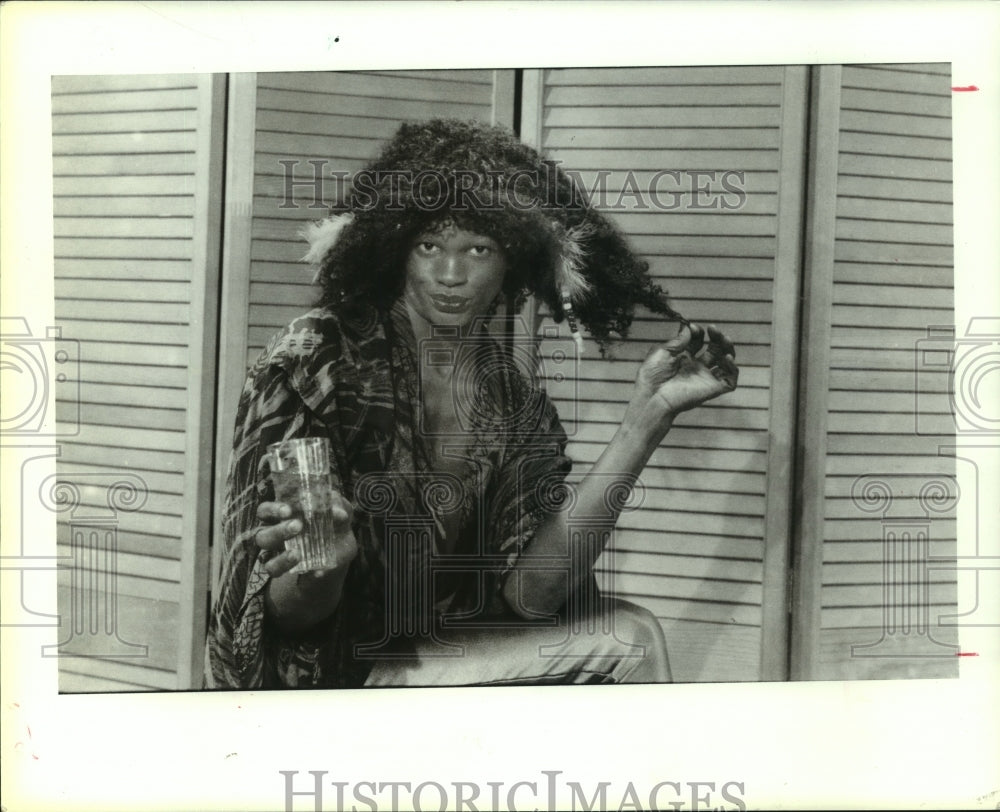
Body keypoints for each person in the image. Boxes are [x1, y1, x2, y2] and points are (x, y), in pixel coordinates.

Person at [205, 118, 738, 689]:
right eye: (429, 246)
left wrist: (647, 416)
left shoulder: (513, 401)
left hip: (438, 654)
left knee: (632, 633)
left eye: (478, 249)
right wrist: (323, 568)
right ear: (393, 249)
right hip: (322, 675)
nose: (451, 275)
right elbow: (284, 618)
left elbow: (532, 599)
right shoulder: (315, 363)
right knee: (630, 644)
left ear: (516, 260)